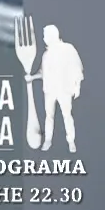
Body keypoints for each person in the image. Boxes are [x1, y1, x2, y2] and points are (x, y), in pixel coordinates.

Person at [30, 24, 82, 153]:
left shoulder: (68, 49)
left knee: (67, 116)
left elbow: (77, 68)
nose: (43, 39)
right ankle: (48, 140)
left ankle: (71, 141)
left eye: (45, 36)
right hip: (50, 90)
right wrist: (32, 77)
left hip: (64, 89)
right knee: (49, 116)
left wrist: (77, 86)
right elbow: (42, 73)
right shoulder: (46, 55)